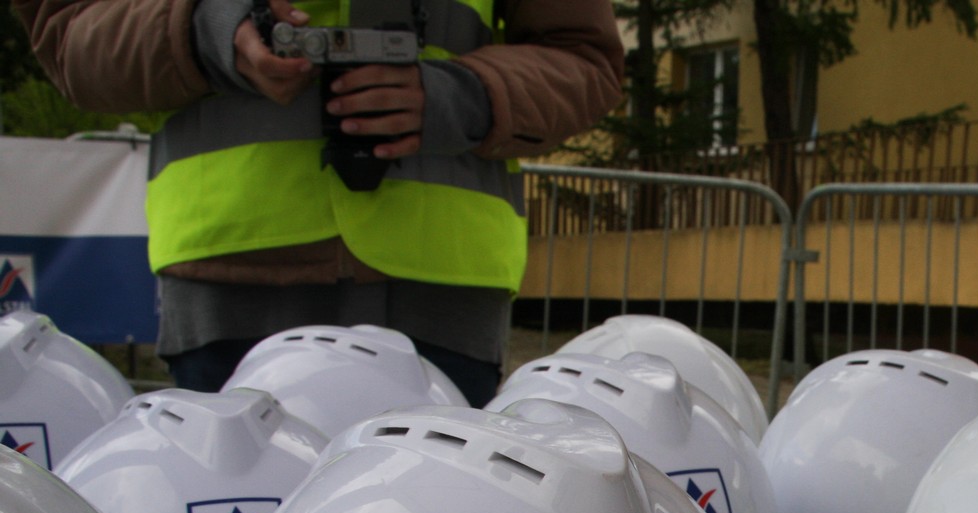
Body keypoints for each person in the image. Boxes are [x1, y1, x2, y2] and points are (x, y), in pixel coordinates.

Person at [15, 0, 623, 407]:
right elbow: (69, 33)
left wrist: (460, 97)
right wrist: (207, 31)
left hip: (438, 285)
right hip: (233, 281)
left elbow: (585, 60)